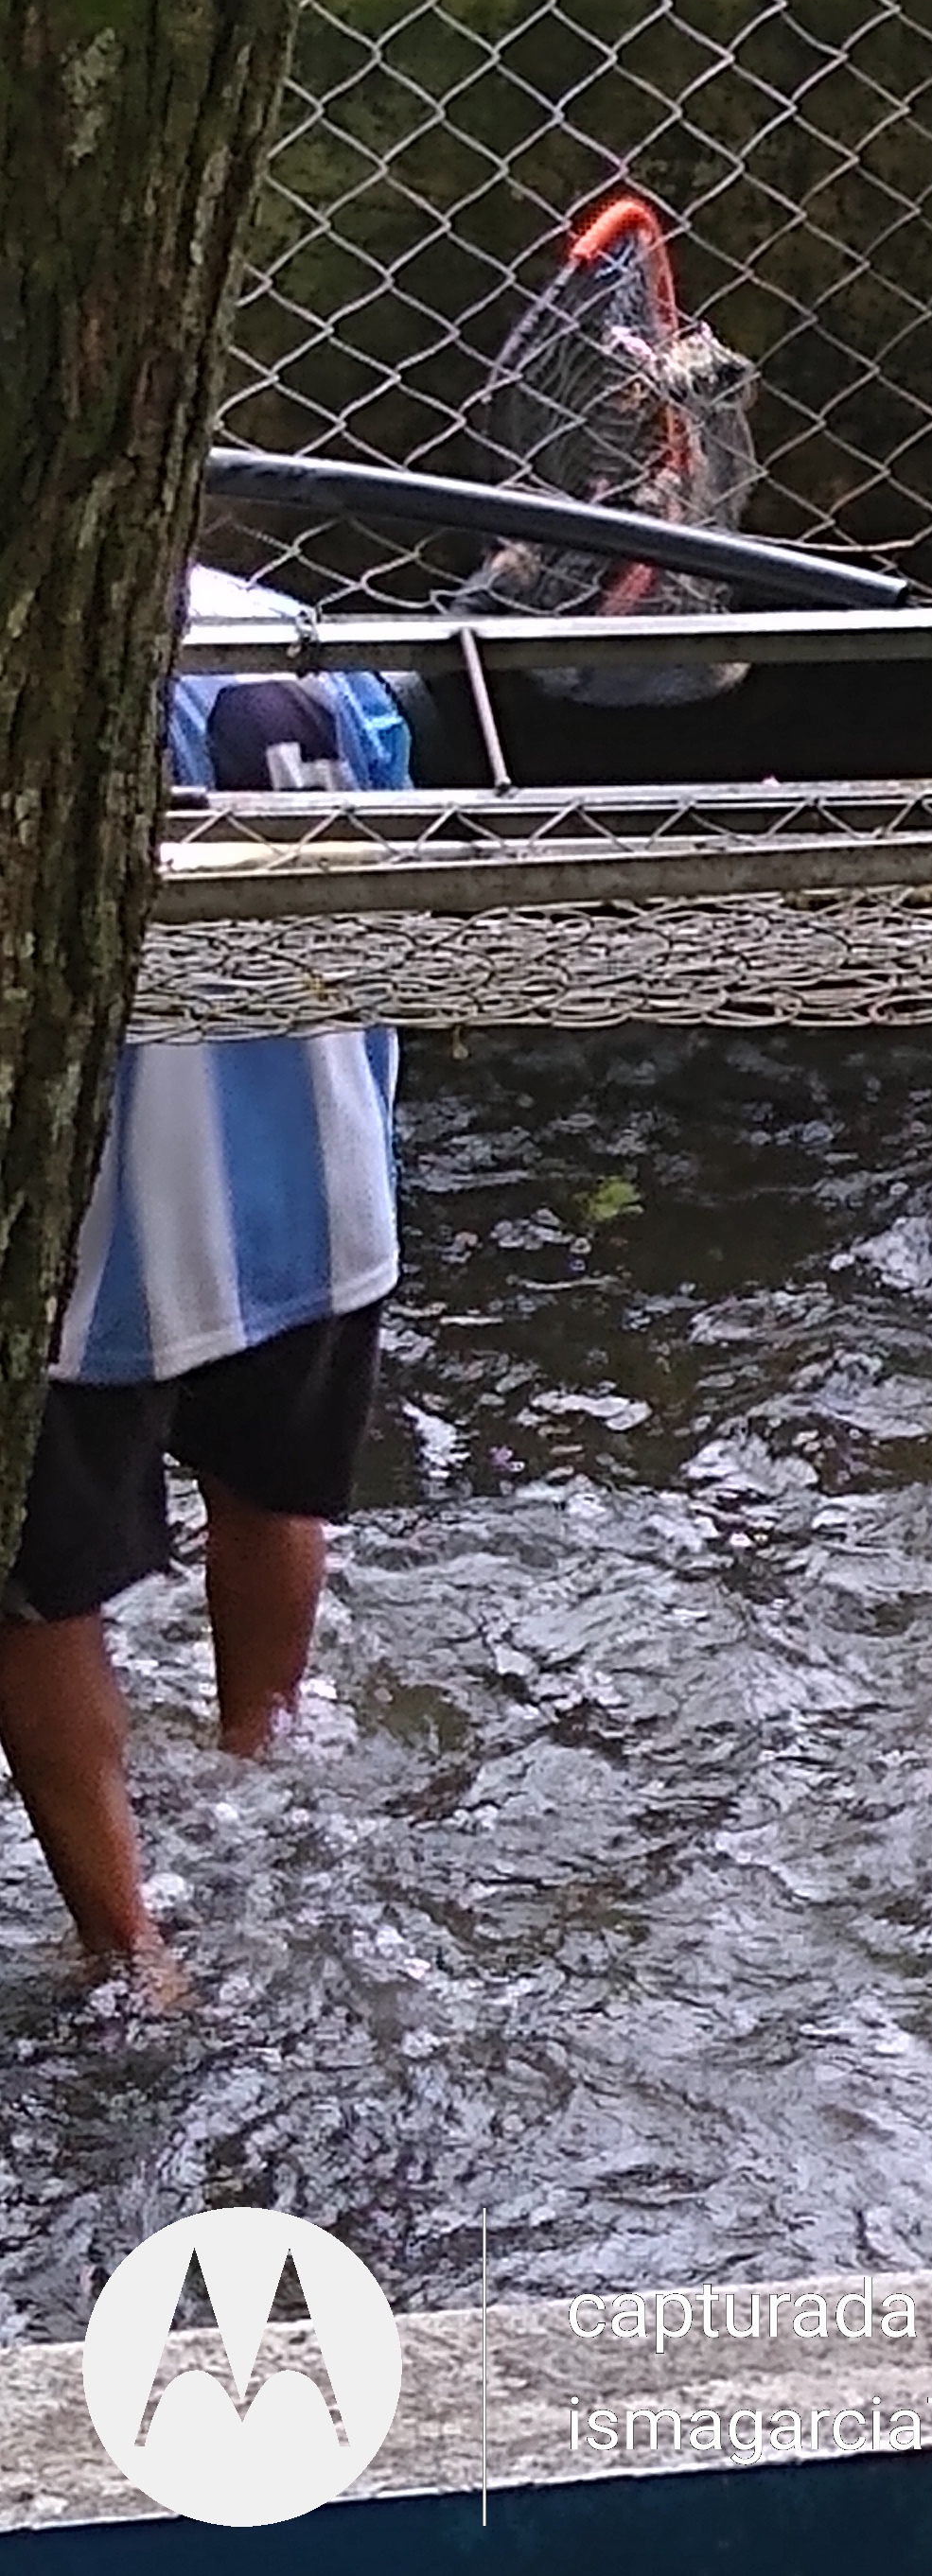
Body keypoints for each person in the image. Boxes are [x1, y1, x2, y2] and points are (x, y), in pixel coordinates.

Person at [0, 568, 411, 2001]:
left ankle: (130, 1950)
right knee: (272, 1485)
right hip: (318, 1169)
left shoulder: (48, 636)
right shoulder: (307, 636)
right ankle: (263, 1751)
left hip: (94, 1219)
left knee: (35, 1591)